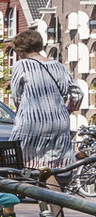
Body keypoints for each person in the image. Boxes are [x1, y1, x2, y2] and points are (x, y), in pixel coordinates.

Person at [9, 29, 78, 185]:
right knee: (49, 168)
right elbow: (77, 94)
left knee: (14, 163)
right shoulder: (59, 66)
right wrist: (66, 110)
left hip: (31, 122)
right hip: (59, 124)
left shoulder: (21, 65)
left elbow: (17, 97)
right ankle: (55, 209)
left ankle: (8, 208)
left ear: (21, 49)